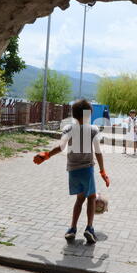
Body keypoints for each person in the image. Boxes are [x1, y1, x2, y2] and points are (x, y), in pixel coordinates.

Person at [33, 99, 110, 244]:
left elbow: (61, 146)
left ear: (74, 115)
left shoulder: (68, 128)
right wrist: (102, 172)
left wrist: (46, 155)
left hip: (73, 171)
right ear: (89, 114)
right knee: (91, 198)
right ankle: (89, 228)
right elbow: (98, 153)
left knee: (79, 199)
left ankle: (72, 229)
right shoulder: (93, 130)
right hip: (87, 170)